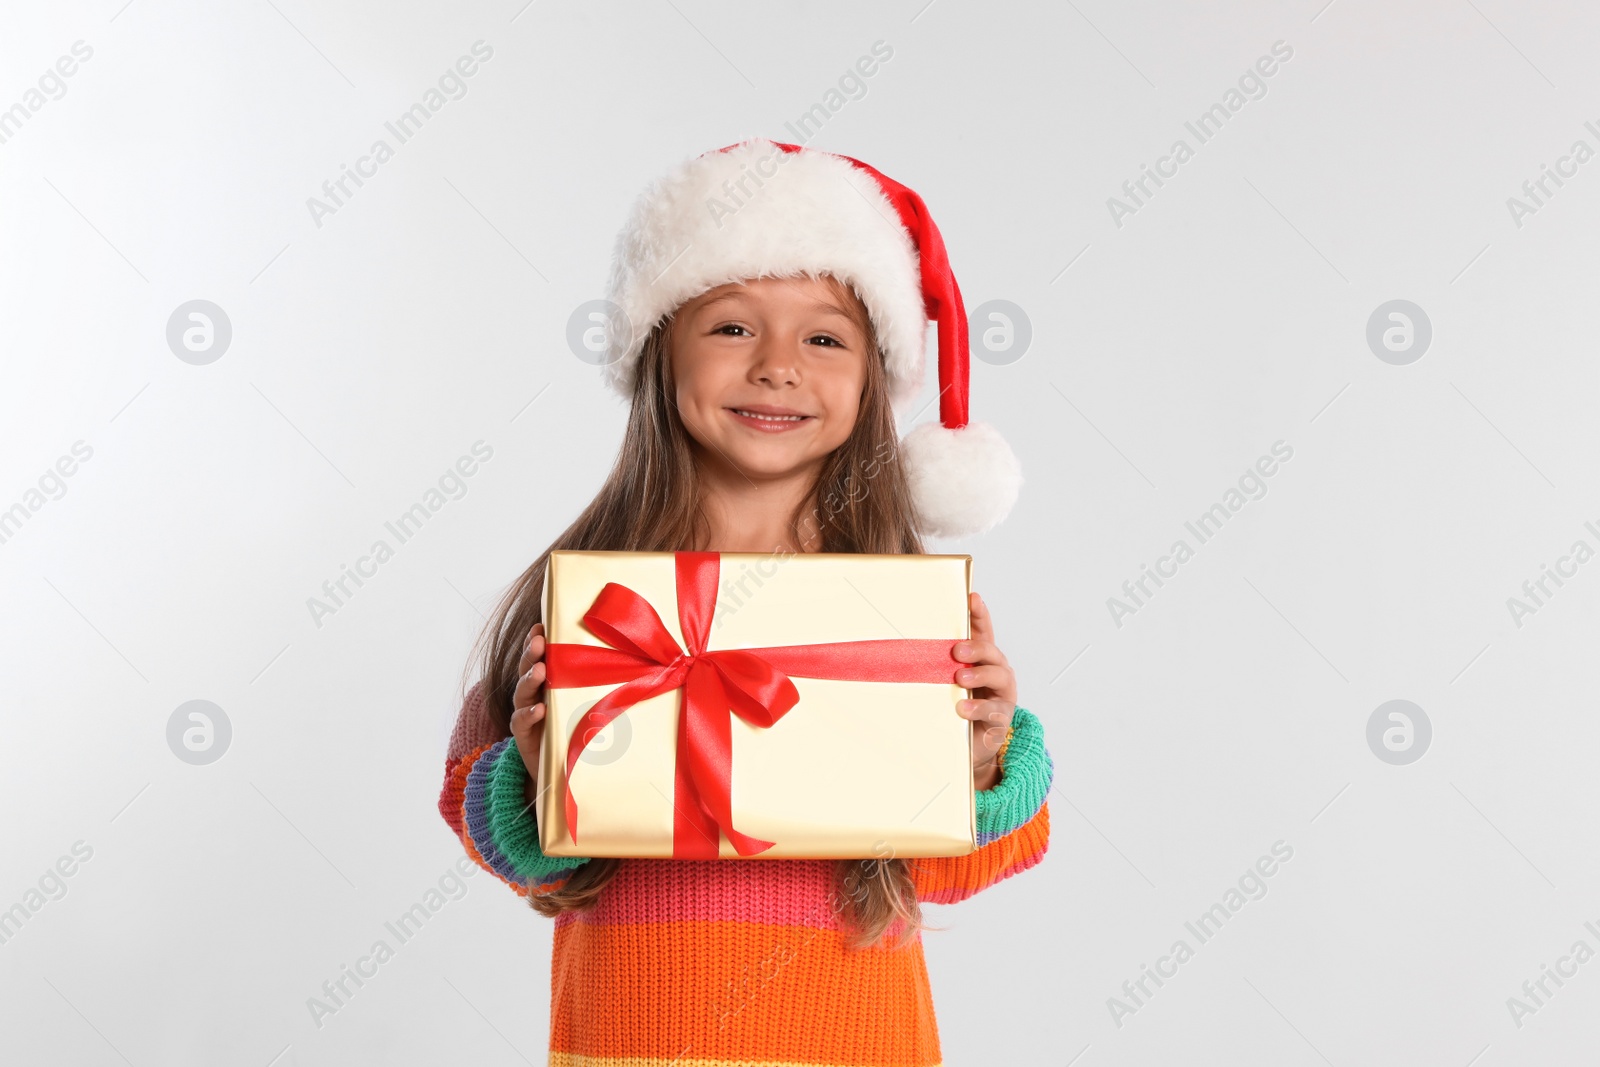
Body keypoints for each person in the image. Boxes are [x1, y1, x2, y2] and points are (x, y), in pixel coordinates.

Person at [437, 137, 1053, 1066]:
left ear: (874, 379)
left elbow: (962, 866)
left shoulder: (901, 618)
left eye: (824, 336)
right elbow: (496, 837)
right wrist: (539, 772)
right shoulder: (591, 603)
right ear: (658, 351)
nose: (777, 365)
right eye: (731, 326)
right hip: (629, 1043)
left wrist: (978, 757)